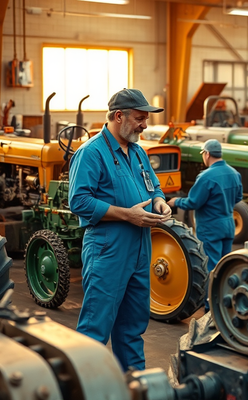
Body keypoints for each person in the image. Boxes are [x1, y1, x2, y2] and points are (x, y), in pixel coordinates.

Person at [68, 88, 171, 371]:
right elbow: (78, 201)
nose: (144, 125)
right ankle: (85, 388)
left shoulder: (138, 152)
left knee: (132, 328)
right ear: (118, 116)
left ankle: (134, 385)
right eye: (139, 118)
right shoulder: (91, 153)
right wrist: (128, 215)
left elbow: (155, 186)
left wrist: (160, 201)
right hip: (107, 249)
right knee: (95, 330)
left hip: (140, 248)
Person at [168, 139, 243, 273]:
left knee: (211, 268)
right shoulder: (234, 173)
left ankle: (209, 294)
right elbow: (238, 197)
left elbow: (193, 202)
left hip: (211, 228)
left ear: (207, 154)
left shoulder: (205, 177)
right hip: (228, 226)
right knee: (225, 266)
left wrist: (176, 201)